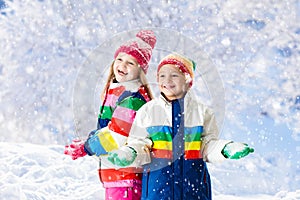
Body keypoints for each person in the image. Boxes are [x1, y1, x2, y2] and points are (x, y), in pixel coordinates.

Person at [107, 53, 254, 199]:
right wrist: (129, 153)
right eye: (162, 76)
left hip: (194, 190)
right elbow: (139, 143)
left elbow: (207, 145)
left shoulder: (202, 113)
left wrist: (224, 149)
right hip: (158, 191)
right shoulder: (148, 111)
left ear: (188, 81)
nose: (167, 80)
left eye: (174, 75)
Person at [64, 30, 157, 200]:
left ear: (140, 71)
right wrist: (90, 140)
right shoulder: (118, 91)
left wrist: (87, 147)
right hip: (119, 177)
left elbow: (116, 135)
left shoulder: (132, 98)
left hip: (127, 176)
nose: (123, 65)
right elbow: (109, 128)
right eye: (120, 59)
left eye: (131, 63)